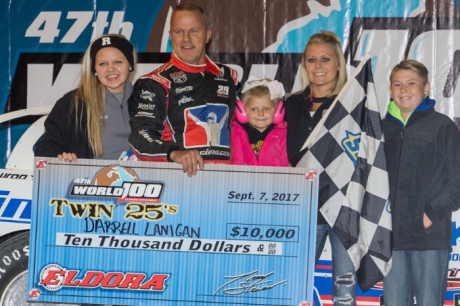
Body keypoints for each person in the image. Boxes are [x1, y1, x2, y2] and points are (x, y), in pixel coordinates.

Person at [285, 31, 356, 306]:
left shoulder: (353, 105)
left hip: (344, 208)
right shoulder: (290, 104)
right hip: (303, 207)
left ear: (338, 63)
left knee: (344, 290)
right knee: (294, 285)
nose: (318, 66)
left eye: (325, 59)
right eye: (312, 60)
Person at [382, 60, 460, 306]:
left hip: (429, 236)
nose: (403, 89)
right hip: (390, 236)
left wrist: (430, 214)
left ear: (426, 88)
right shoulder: (381, 129)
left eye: (411, 83)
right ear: (390, 90)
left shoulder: (442, 125)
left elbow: (457, 178)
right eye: (397, 84)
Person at [128, 3, 238, 177]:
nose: (186, 39)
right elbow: (140, 136)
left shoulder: (230, 77)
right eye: (179, 32)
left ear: (208, 34)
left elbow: (243, 129)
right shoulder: (155, 82)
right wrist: (174, 153)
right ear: (171, 36)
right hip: (179, 180)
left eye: (194, 31)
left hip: (226, 182)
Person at [35, 34, 136, 162]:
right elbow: (45, 148)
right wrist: (61, 158)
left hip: (142, 180)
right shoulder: (73, 103)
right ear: (94, 68)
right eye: (102, 64)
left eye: (118, 62)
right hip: (90, 180)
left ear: (130, 64)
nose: (111, 69)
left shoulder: (148, 99)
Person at [231, 77, 288, 166]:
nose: (260, 114)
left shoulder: (282, 133)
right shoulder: (238, 132)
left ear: (278, 110)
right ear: (242, 111)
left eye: (266, 109)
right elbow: (237, 162)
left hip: (274, 179)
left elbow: (285, 164)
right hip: (245, 178)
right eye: (254, 109)